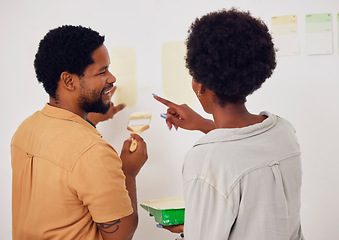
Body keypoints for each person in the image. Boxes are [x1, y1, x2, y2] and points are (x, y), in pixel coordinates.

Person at [154, 8, 304, 240]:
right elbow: (246, 152)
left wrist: (190, 229)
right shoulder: (283, 131)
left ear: (200, 85)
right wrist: (204, 124)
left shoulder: (206, 160)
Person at [11, 25, 148, 240]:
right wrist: (128, 173)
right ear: (69, 81)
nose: (112, 78)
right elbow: (120, 235)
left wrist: (89, 120)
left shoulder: (26, 129)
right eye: (102, 72)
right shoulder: (94, 152)